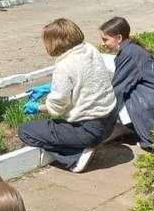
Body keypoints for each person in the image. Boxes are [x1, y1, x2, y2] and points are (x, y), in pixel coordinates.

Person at [18, 18, 117, 173]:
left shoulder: (64, 65)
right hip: (110, 120)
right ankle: (80, 149)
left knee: (25, 131)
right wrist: (49, 87)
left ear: (55, 42)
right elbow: (85, 80)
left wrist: (36, 107)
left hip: (89, 130)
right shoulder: (89, 49)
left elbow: (56, 109)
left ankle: (74, 157)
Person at [99, 16, 154, 153]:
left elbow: (118, 88)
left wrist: (101, 117)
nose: (102, 43)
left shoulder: (129, 53)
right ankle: (141, 131)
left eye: (105, 39)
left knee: (125, 98)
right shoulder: (131, 49)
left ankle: (147, 134)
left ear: (119, 38)